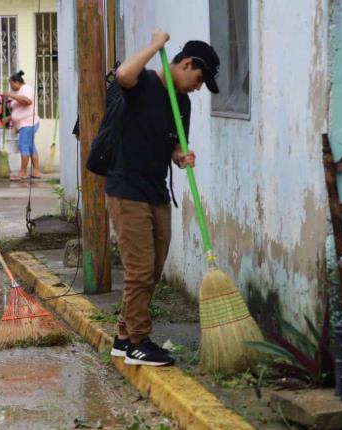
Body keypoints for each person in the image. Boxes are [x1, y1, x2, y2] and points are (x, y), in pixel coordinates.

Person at [107, 31, 218, 366]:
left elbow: (173, 145)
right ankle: (140, 343)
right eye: (198, 79)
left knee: (152, 270)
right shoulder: (142, 84)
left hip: (156, 191)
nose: (197, 88)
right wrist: (155, 43)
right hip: (127, 190)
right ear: (185, 64)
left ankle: (123, 337)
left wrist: (181, 155)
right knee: (139, 271)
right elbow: (123, 75)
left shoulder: (180, 102)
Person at [5, 70, 41, 180]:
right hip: (25, 124)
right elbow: (20, 110)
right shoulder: (21, 91)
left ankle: (23, 172)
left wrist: (11, 95)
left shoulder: (26, 89)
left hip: (28, 123)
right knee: (30, 147)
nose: (11, 88)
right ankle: (36, 171)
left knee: (23, 146)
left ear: (16, 82)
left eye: (11, 85)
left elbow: (27, 101)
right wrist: (10, 118)